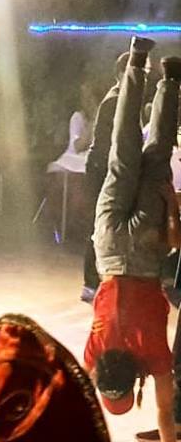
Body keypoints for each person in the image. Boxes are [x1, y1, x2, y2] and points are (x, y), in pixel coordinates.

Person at [83, 37, 181, 442]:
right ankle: (136, 62)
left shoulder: (153, 355)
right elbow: (80, 396)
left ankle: (171, 79)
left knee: (156, 157)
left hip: (144, 253)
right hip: (109, 250)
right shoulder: (96, 350)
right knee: (122, 156)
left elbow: (164, 411)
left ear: (134, 385)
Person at [81, 53, 131, 303]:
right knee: (99, 224)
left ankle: (102, 282)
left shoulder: (124, 99)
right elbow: (112, 143)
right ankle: (91, 283)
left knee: (108, 224)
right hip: (100, 168)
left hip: (107, 167)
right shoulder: (115, 100)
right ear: (122, 73)